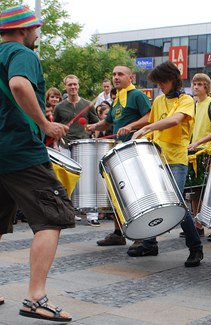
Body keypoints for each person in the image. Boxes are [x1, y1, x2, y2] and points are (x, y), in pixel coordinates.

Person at [0, 5, 73, 322]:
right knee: (53, 216)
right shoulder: (23, 54)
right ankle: (35, 297)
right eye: (36, 29)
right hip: (20, 152)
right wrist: (45, 124)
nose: (37, 34)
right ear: (26, 29)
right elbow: (18, 85)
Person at [131, 61, 203, 267]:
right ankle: (149, 243)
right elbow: (154, 129)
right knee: (152, 203)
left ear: (172, 79)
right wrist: (141, 137)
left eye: (162, 82)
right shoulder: (158, 101)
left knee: (177, 205)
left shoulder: (187, 100)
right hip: (156, 160)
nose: (159, 86)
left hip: (176, 160)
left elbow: (174, 121)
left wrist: (146, 128)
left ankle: (196, 247)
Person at [86, 65, 151, 248]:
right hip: (117, 151)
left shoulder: (137, 95)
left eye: (120, 74)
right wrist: (93, 127)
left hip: (133, 151)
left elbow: (150, 117)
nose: (116, 77)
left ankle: (141, 235)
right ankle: (118, 233)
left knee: (134, 193)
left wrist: (131, 126)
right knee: (116, 193)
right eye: (114, 74)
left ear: (131, 77)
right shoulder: (118, 98)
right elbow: (108, 123)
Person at [54, 74, 100, 226]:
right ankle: (69, 212)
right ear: (65, 87)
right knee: (67, 180)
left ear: (78, 86)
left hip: (84, 146)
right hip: (65, 145)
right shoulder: (59, 107)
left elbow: (97, 124)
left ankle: (92, 214)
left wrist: (94, 134)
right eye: (70, 85)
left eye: (75, 84)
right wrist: (56, 143)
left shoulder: (88, 105)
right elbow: (55, 126)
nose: (73, 87)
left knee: (88, 179)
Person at [186, 73, 211, 239]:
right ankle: (197, 224)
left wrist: (198, 142)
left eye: (200, 84)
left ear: (206, 87)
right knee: (194, 192)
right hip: (193, 153)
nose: (196, 87)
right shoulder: (192, 106)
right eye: (194, 84)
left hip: (207, 152)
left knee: (210, 191)